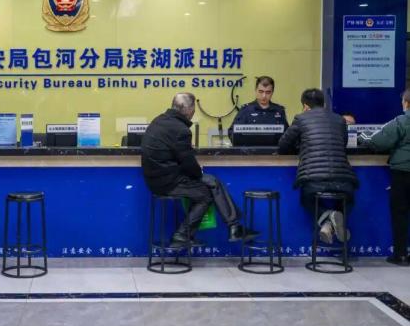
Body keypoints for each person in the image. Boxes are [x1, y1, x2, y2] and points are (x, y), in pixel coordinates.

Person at [141, 93, 257, 246]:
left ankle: (234, 226)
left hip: (156, 179)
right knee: (205, 194)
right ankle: (183, 235)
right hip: (168, 182)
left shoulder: (158, 121)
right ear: (189, 110)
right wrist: (199, 173)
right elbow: (188, 164)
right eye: (194, 109)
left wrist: (197, 173)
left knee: (212, 181)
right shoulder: (181, 130)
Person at [278, 88, 358, 244]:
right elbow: (343, 143)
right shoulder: (339, 120)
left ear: (305, 106)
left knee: (306, 199)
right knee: (349, 199)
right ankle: (332, 221)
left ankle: (327, 220)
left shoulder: (301, 119)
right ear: (324, 104)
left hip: (313, 180)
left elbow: (283, 146)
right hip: (344, 180)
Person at [362, 89, 410, 265]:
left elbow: (379, 142)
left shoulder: (402, 121)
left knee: (400, 213)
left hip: (403, 172)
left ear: (406, 103)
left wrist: (363, 138)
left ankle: (400, 255)